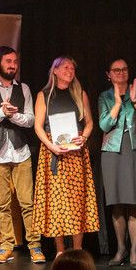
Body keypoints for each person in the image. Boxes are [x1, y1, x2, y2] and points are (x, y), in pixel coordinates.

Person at [0, 46, 43, 264]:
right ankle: (6, 246)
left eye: (15, 61)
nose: (12, 65)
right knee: (3, 204)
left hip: (20, 152)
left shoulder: (23, 88)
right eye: (8, 61)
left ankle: (34, 246)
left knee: (27, 203)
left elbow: (31, 120)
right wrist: (1, 113)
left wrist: (13, 116)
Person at [32, 57, 100, 257]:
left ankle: (77, 249)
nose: (70, 71)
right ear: (54, 70)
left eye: (72, 68)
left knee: (77, 201)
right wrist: (51, 146)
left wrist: (83, 137)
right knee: (56, 203)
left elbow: (89, 123)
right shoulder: (44, 95)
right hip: (52, 152)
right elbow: (38, 126)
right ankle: (60, 251)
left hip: (75, 153)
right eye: (65, 67)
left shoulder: (80, 94)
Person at [98, 59, 136, 270]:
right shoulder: (104, 96)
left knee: (134, 202)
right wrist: (117, 104)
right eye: (116, 70)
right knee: (117, 203)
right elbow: (104, 124)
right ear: (109, 74)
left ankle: (134, 251)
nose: (121, 73)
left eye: (124, 69)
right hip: (112, 151)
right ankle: (121, 249)